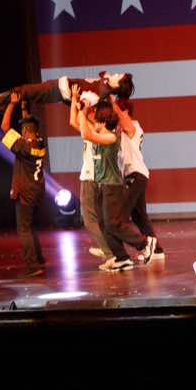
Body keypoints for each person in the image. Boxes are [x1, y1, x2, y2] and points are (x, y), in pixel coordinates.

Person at [75, 101, 157, 271]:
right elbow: (80, 125)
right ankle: (121, 258)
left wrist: (82, 112)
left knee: (113, 223)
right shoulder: (100, 133)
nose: (95, 123)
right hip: (102, 185)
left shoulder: (112, 138)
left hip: (112, 186)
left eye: (98, 121)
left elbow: (85, 133)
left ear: (104, 123)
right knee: (104, 225)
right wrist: (77, 103)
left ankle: (144, 243)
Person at [0, 92, 47, 277]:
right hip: (37, 191)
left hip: (25, 192)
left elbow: (4, 127)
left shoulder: (23, 146)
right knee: (30, 226)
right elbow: (28, 124)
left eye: (22, 129)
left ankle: (32, 265)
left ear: (26, 131)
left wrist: (11, 104)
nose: (20, 132)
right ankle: (39, 258)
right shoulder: (40, 143)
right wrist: (24, 107)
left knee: (24, 229)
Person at [112, 98, 165, 262]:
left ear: (125, 112)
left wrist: (110, 100)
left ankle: (117, 251)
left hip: (136, 175)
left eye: (116, 112)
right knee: (139, 217)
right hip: (135, 176)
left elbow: (123, 121)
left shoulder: (133, 126)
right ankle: (156, 250)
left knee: (118, 217)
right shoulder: (121, 129)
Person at [0, 71, 134, 119]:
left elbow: (81, 105)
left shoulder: (98, 95)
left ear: (118, 85)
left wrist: (72, 98)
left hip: (56, 91)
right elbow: (103, 74)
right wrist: (109, 82)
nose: (116, 74)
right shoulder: (105, 85)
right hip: (57, 87)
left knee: (21, 91)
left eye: (119, 76)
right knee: (22, 93)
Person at [67, 102, 115, 263]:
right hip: (95, 178)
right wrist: (75, 100)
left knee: (89, 220)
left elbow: (79, 126)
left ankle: (110, 254)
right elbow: (73, 121)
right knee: (99, 219)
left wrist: (83, 110)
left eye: (93, 112)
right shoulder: (96, 130)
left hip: (90, 177)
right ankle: (108, 249)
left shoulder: (95, 131)